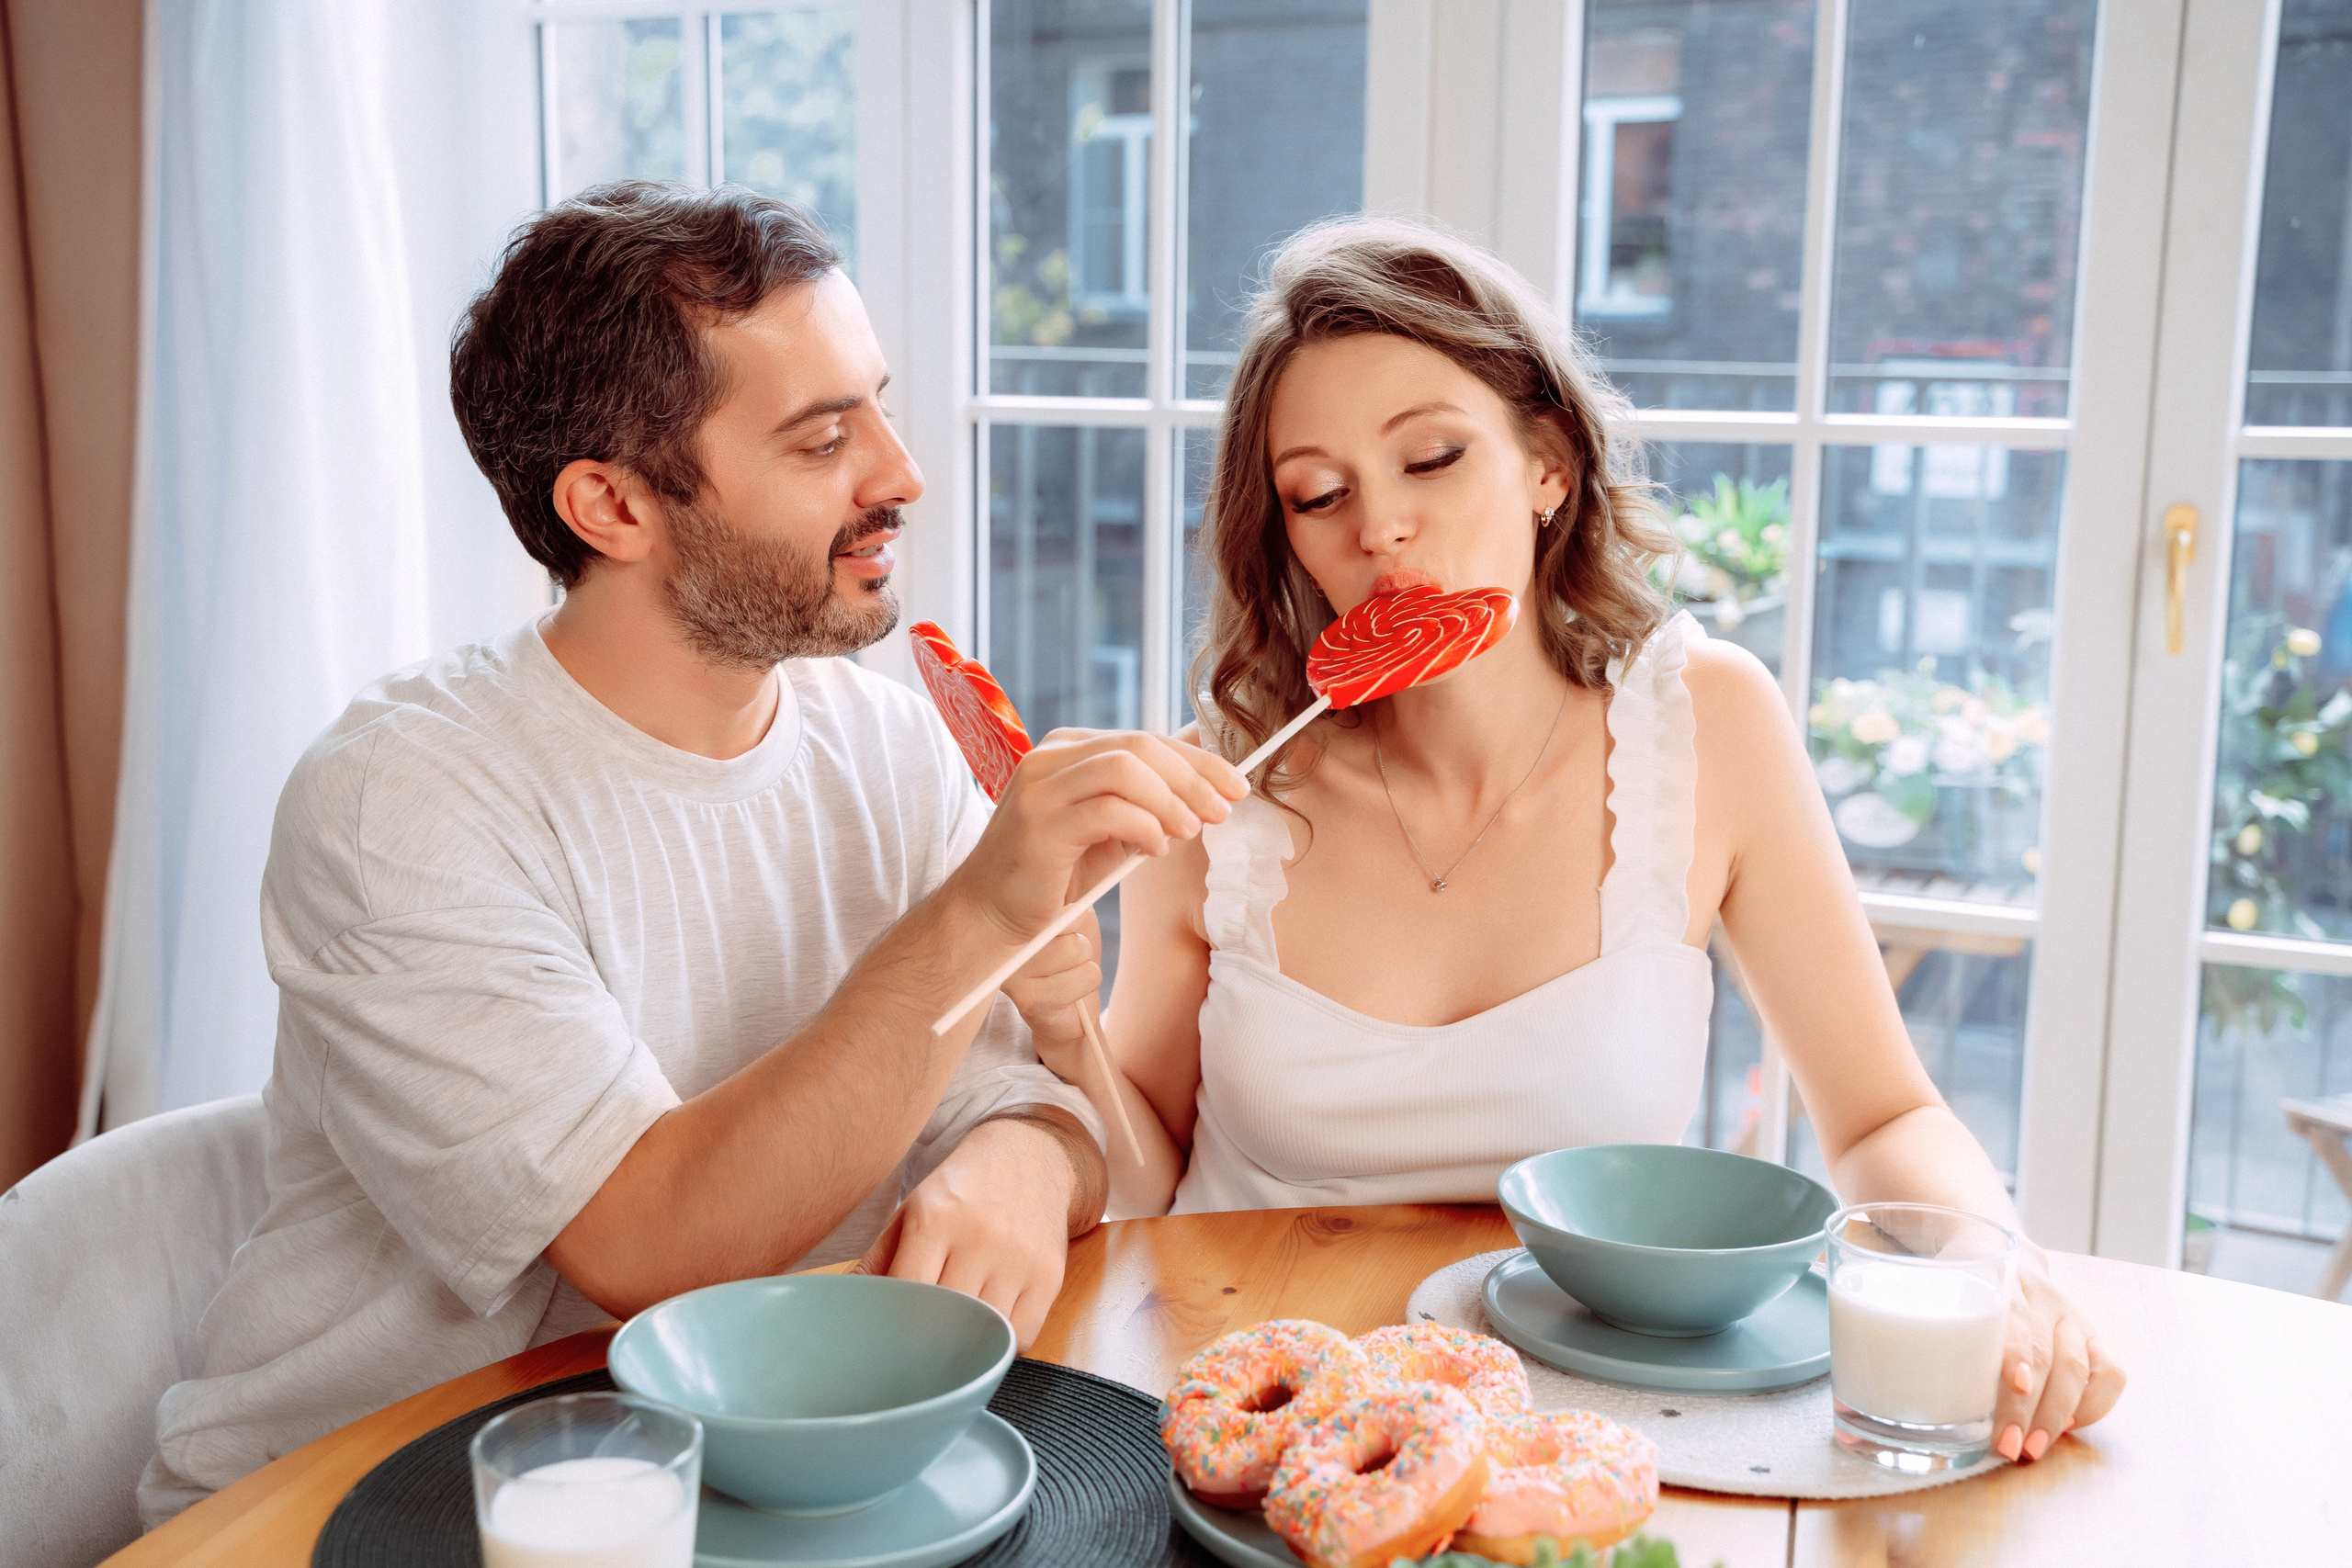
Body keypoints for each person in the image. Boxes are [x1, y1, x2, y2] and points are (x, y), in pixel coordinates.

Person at [138, 183, 1245, 1522]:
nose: (901, 474)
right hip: (387, 1500)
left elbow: (1033, 1102)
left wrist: (1013, 1161)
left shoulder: (885, 747)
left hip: (767, 1486)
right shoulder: (403, 802)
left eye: (878, 408)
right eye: (824, 439)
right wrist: (978, 911)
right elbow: (651, 1240)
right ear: (610, 504)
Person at [1006, 217, 2124, 1466]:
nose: (1380, 530)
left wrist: (1996, 1263)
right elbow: (1145, 1172)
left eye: (1432, 458)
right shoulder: (1222, 788)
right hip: (1252, 1428)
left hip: (1589, 1433)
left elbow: (1879, 1119)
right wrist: (1065, 1034)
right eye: (1321, 494)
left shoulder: (1708, 725)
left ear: (1546, 464)